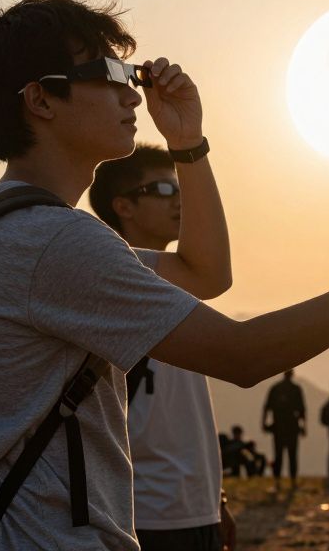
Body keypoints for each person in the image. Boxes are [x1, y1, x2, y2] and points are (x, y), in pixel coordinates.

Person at [0, 0, 329, 548]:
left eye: (131, 74)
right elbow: (242, 356)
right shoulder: (52, 241)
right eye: (109, 73)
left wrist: (188, 143)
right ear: (40, 100)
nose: (132, 94)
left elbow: (205, 272)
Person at [89, 145, 233, 550]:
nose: (180, 199)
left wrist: (214, 499)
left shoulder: (177, 284)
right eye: (163, 189)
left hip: (193, 508)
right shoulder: (109, 288)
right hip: (141, 514)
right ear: (124, 206)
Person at [263, 369, 306, 491]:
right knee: (290, 454)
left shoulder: (277, 388)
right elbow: (302, 410)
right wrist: (303, 426)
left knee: (280, 454)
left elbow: (266, 408)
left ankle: (280, 482)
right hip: (289, 426)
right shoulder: (294, 389)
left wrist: (264, 423)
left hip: (281, 426)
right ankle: (290, 482)